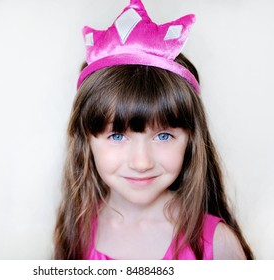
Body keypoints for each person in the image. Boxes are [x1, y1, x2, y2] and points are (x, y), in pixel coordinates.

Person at [54, 0, 254, 260]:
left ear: (190, 141)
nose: (141, 162)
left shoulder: (218, 245)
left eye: (163, 136)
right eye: (117, 135)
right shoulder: (75, 230)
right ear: (86, 141)